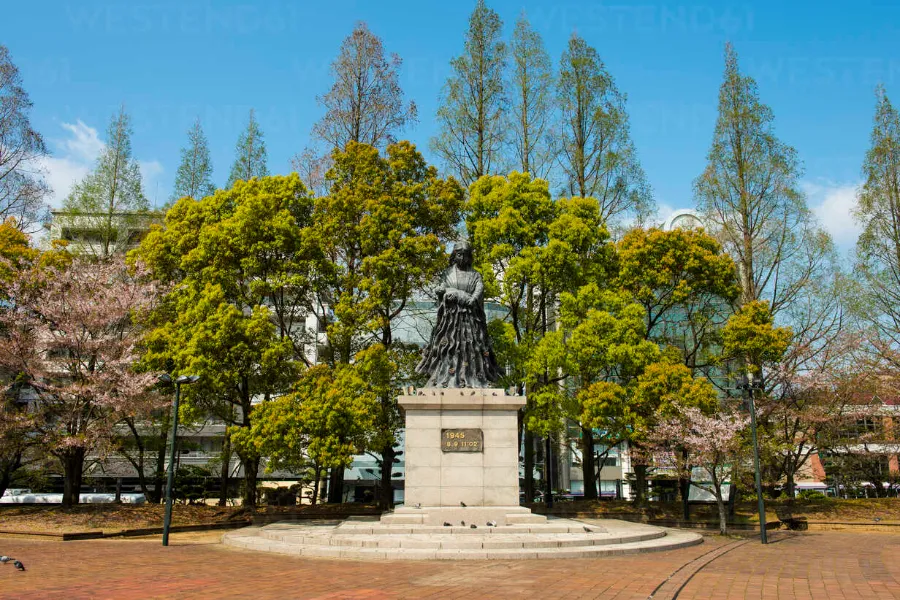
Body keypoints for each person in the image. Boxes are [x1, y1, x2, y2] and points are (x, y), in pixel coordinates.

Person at [415, 241, 501, 388]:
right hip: (450, 321)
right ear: (455, 255)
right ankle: (445, 378)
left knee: (472, 348)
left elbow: (478, 293)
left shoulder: (475, 275)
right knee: (448, 347)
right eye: (459, 254)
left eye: (465, 255)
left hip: (470, 320)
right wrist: (442, 291)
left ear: (469, 257)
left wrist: (469, 298)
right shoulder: (447, 273)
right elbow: (442, 287)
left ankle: (473, 378)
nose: (462, 258)